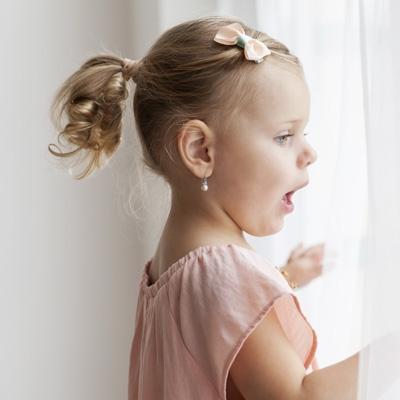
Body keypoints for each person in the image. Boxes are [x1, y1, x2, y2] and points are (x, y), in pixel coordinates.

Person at [48, 15, 358, 400]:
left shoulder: (171, 264)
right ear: (201, 150)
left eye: (303, 134)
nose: (309, 153)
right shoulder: (223, 268)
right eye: (284, 136)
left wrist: (285, 277)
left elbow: (216, 323)